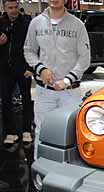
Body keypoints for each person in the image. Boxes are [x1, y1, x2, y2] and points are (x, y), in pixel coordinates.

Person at [24, 0, 90, 158]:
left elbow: (85, 58)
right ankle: (39, 166)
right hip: (44, 92)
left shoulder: (77, 25)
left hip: (70, 92)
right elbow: (29, 51)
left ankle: (66, 171)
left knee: (71, 133)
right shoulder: (36, 23)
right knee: (41, 130)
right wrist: (41, 69)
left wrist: (67, 80)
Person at [0, 0, 34, 145]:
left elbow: (35, 45)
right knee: (6, 100)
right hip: (5, 69)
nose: (13, 10)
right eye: (10, 7)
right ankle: (10, 132)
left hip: (23, 68)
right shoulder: (0, 23)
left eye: (15, 7)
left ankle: (27, 130)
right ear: (4, 8)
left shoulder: (27, 23)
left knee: (26, 99)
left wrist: (31, 68)